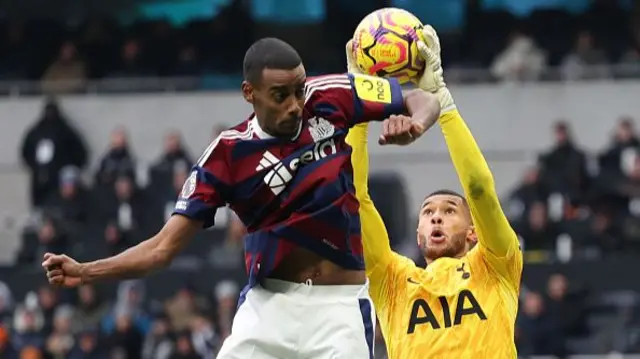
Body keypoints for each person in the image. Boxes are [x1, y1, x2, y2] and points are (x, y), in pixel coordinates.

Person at [42, 37, 442, 358]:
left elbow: (420, 98)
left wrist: (416, 123)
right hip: (268, 310)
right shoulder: (226, 155)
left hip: (339, 309)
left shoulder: (331, 95)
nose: (295, 105)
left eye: (299, 90)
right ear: (249, 93)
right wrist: (87, 271)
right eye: (280, 95)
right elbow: (162, 249)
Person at [346, 26, 522, 358]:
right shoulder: (393, 280)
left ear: (473, 233)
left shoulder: (496, 265)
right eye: (428, 212)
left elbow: (478, 188)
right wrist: (356, 106)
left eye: (449, 210)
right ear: (418, 231)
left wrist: (441, 99)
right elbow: (353, 198)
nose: (436, 216)